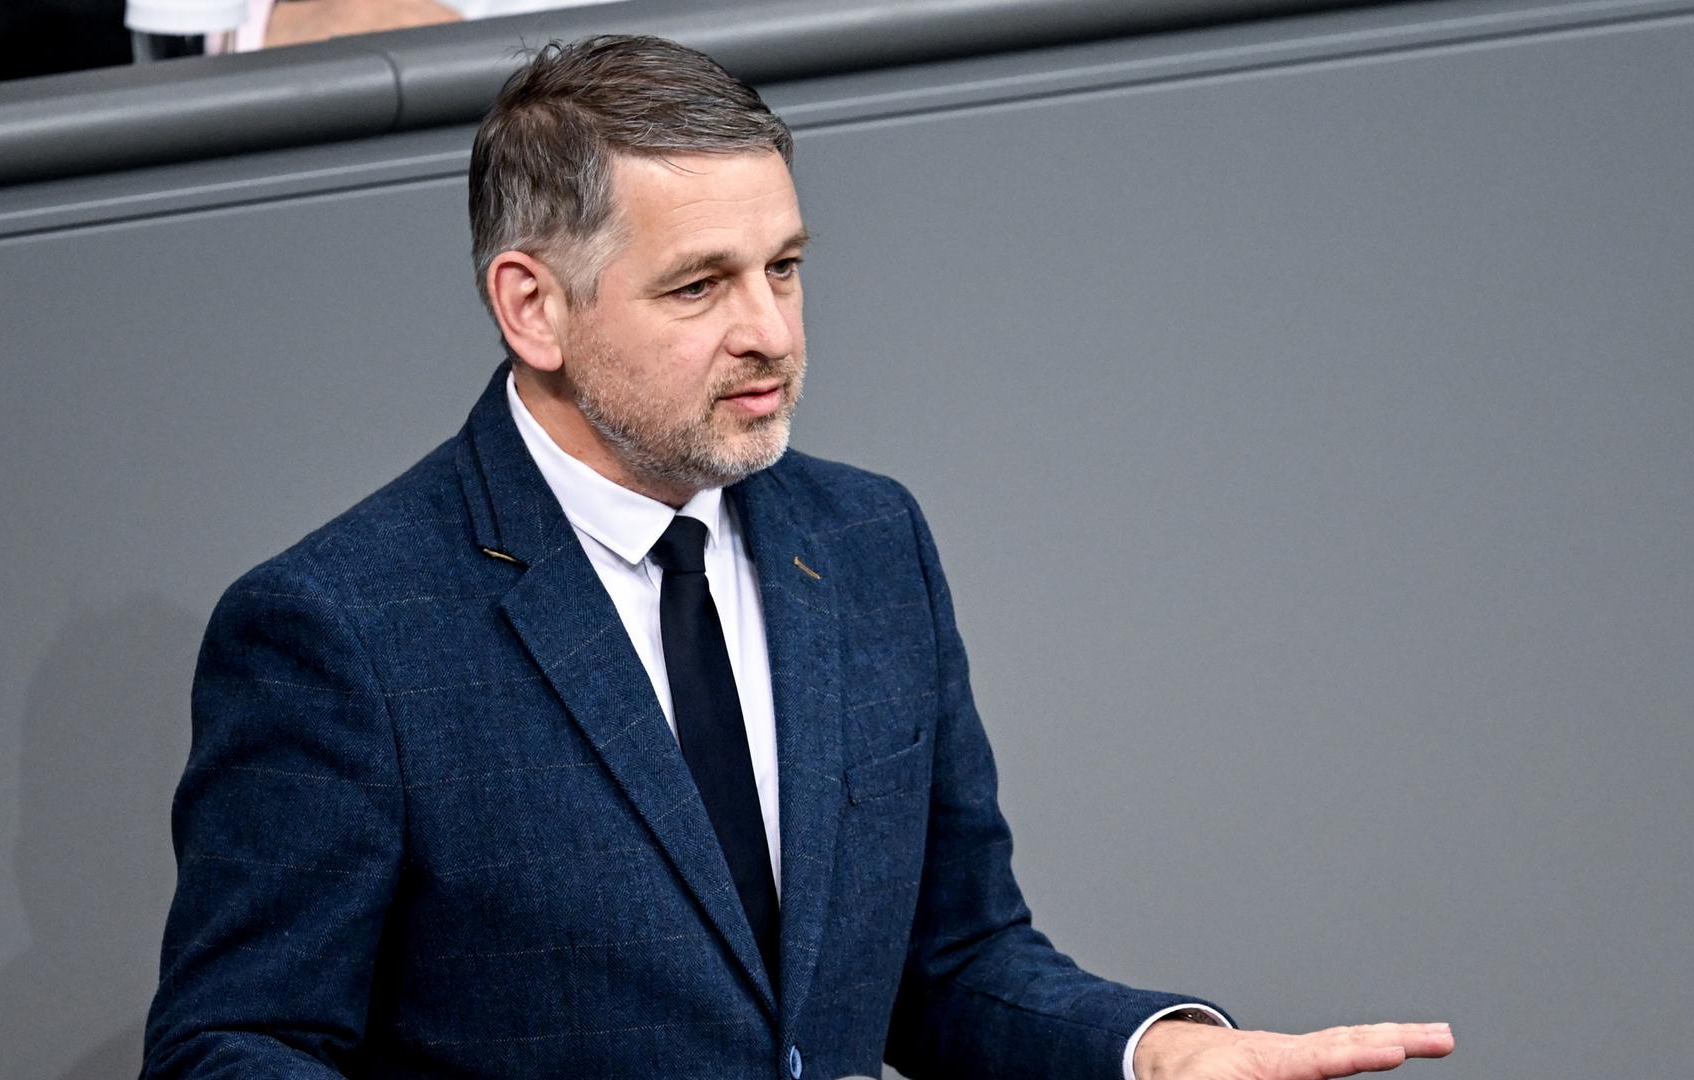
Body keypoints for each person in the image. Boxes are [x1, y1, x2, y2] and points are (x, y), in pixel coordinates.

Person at [141, 34, 1456, 1079]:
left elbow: (952, 961)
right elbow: (235, 1050)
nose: (771, 331)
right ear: (534, 306)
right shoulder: (342, 628)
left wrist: (1158, 1056)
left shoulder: (869, 543)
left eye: (786, 267)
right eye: (700, 286)